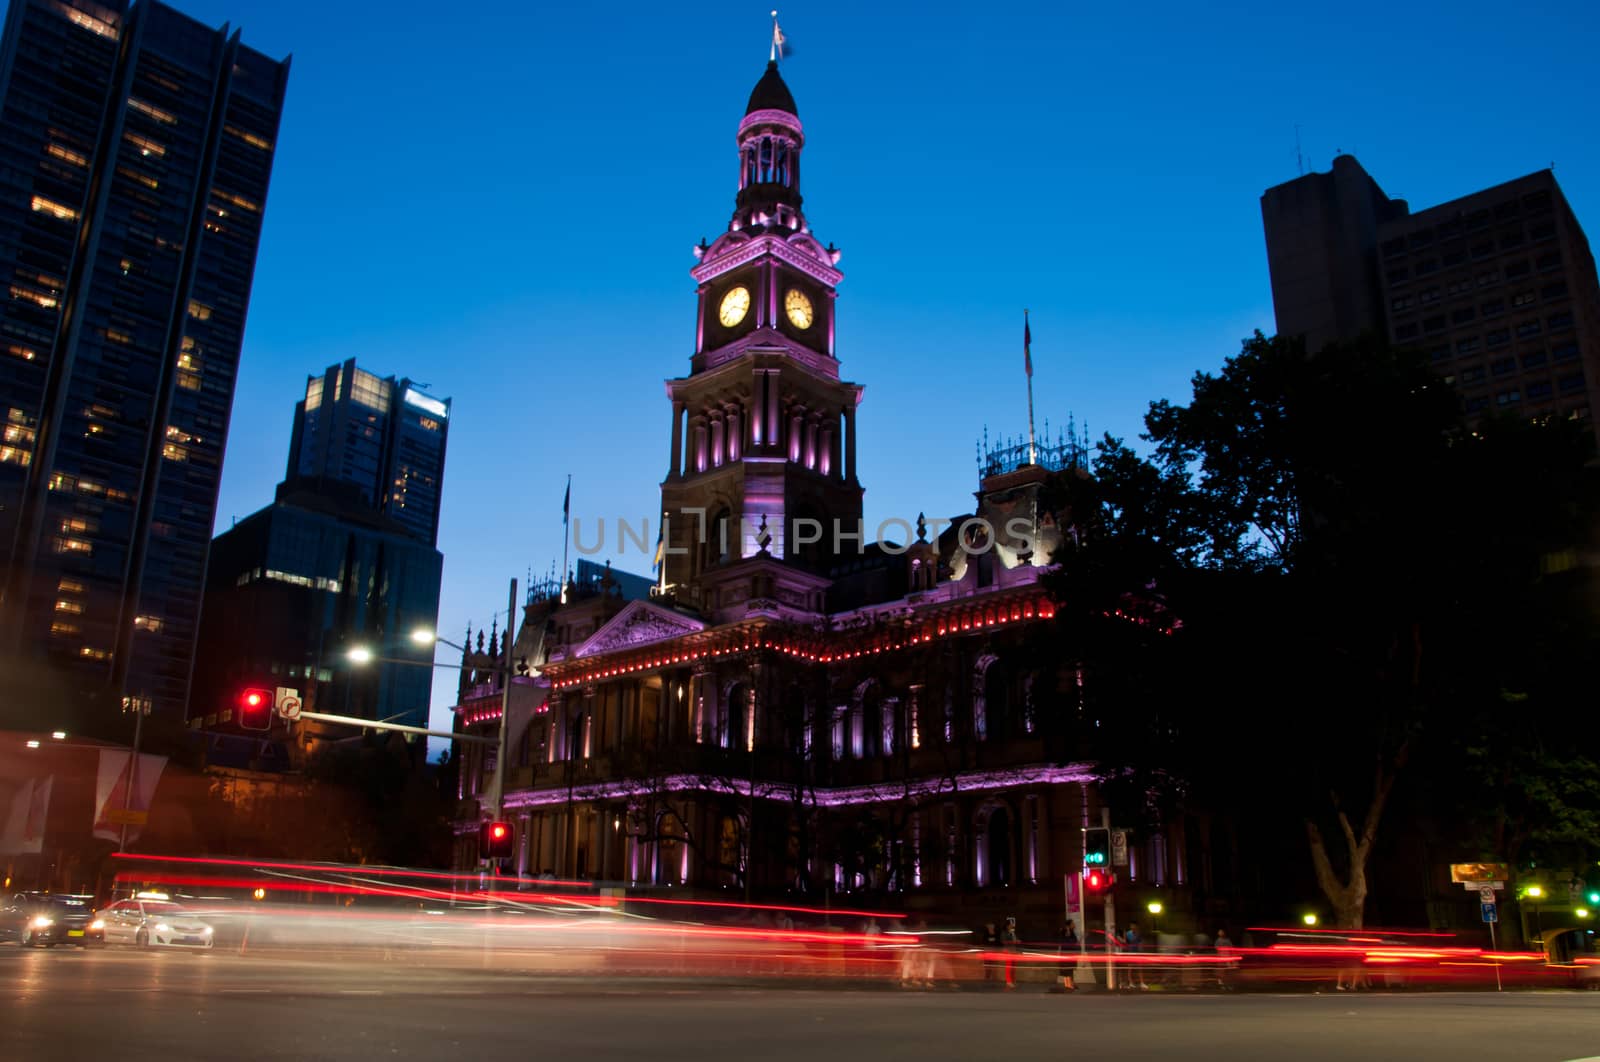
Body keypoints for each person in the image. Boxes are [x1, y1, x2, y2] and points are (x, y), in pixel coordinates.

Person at [1056, 919, 1079, 992]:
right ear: (1069, 925)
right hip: (1066, 953)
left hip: (1070, 953)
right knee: (1067, 970)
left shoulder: (1071, 932)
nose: (1074, 925)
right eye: (1072, 923)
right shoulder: (1066, 932)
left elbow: (1074, 941)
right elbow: (1067, 942)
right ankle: (1068, 985)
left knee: (1069, 969)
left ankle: (1070, 984)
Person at [1124, 920, 1146, 989]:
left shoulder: (1139, 933)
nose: (1132, 927)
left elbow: (1141, 942)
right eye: (1131, 925)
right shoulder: (1128, 933)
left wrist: (1141, 950)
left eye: (1133, 925)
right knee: (1130, 969)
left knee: (1139, 968)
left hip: (1138, 953)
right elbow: (1125, 943)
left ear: (1136, 926)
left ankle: (1141, 983)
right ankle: (1131, 983)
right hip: (1130, 953)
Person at [1002, 916, 1020, 990]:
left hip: (1013, 951)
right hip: (1008, 951)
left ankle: (1013, 980)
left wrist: (1017, 941)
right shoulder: (1004, 933)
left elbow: (1015, 939)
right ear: (1008, 926)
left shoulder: (1013, 932)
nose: (1012, 926)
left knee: (1013, 967)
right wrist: (1013, 941)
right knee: (1008, 967)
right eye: (1011, 925)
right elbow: (1004, 941)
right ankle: (1008, 981)